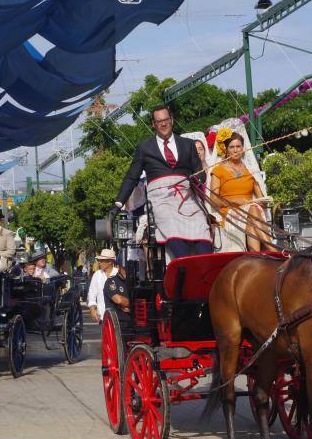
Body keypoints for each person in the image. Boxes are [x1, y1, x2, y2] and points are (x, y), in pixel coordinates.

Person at [113, 105, 211, 261]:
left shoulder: (188, 144)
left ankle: (206, 266)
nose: (163, 124)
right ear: (153, 124)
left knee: (201, 226)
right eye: (159, 121)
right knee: (170, 222)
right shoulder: (144, 148)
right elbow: (131, 177)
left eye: (166, 120)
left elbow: (200, 172)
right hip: (160, 200)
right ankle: (185, 264)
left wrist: (197, 179)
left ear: (172, 120)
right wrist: (118, 204)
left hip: (187, 197)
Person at [209, 131, 271, 252]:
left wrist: (265, 200)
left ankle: (256, 256)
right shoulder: (218, 170)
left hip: (251, 211)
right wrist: (235, 200)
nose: (235, 150)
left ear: (243, 148)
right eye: (232, 147)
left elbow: (262, 201)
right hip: (230, 211)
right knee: (253, 210)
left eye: (238, 146)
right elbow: (213, 200)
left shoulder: (250, 170)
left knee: (253, 210)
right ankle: (273, 249)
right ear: (226, 149)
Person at [87, 249, 118, 324]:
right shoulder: (97, 275)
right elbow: (92, 294)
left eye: (102, 260)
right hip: (102, 316)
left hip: (117, 316)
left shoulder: (118, 273)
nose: (99, 263)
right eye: (99, 260)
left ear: (110, 261)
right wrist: (92, 309)